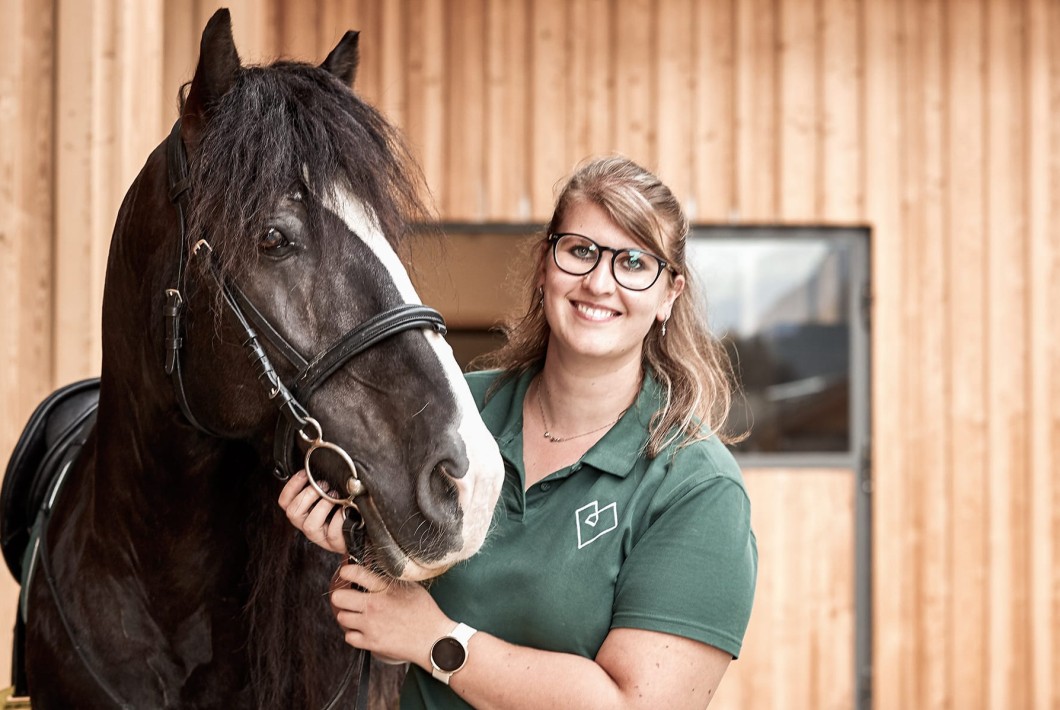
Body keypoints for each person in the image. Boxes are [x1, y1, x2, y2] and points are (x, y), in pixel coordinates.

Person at [280, 156, 757, 709]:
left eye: (632, 262)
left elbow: (636, 705)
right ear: (544, 265)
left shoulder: (695, 486)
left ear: (668, 295)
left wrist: (438, 641)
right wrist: (357, 548)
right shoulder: (455, 411)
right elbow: (391, 635)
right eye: (580, 251)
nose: (599, 282)